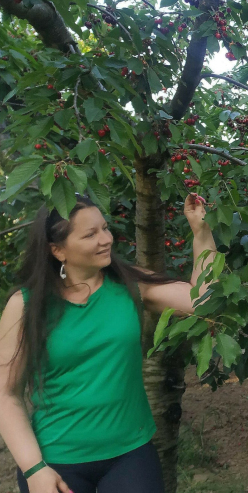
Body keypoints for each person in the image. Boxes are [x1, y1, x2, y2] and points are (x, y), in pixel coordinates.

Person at [0, 193, 217, 493]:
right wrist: (35, 469)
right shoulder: (26, 306)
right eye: (90, 234)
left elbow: (202, 301)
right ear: (57, 250)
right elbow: (6, 395)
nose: (106, 239)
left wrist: (201, 232)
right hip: (56, 459)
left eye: (105, 228)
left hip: (129, 455)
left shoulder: (130, 285)